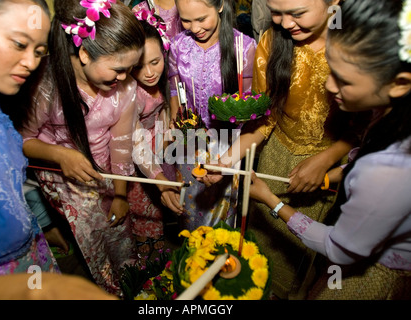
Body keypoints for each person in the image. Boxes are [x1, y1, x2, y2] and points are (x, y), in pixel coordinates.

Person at [201, 0, 366, 299]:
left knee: (300, 248)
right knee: (260, 240)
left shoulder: (359, 44)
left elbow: (366, 126)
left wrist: (326, 160)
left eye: (297, 13)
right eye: (276, 12)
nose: (286, 23)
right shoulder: (272, 40)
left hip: (331, 167)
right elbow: (267, 118)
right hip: (276, 157)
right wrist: (225, 161)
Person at [250, 0, 411, 299]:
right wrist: (331, 176)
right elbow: (265, 116)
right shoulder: (387, 116)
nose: (329, 85)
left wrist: (270, 200)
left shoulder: (387, 168)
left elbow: (339, 245)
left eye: (343, 79)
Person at [0, 0, 116, 300]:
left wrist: (38, 232)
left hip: (30, 258)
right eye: (19, 44)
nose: (31, 63)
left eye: (38, 51)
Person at [18, 0, 145, 296]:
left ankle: (134, 286)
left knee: (120, 231)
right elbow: (21, 141)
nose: (125, 78)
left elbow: (122, 145)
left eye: (130, 69)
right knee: (91, 237)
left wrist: (121, 193)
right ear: (84, 54)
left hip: (107, 174)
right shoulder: (45, 86)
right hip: (63, 178)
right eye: (118, 69)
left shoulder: (124, 88)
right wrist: (61, 155)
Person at [168, 0, 257, 231]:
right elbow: (174, 90)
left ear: (219, 6)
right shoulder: (178, 45)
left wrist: (224, 154)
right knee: (189, 212)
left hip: (227, 144)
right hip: (189, 141)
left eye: (201, 19)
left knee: (220, 217)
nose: (194, 28)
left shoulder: (244, 47)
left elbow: (247, 105)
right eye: (186, 20)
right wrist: (177, 121)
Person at [128, 9, 180, 255]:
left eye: (155, 62)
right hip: (136, 153)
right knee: (146, 212)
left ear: (164, 54)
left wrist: (167, 133)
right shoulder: (130, 94)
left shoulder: (165, 79)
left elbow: (163, 109)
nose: (149, 73)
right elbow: (134, 140)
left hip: (159, 143)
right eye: (138, 66)